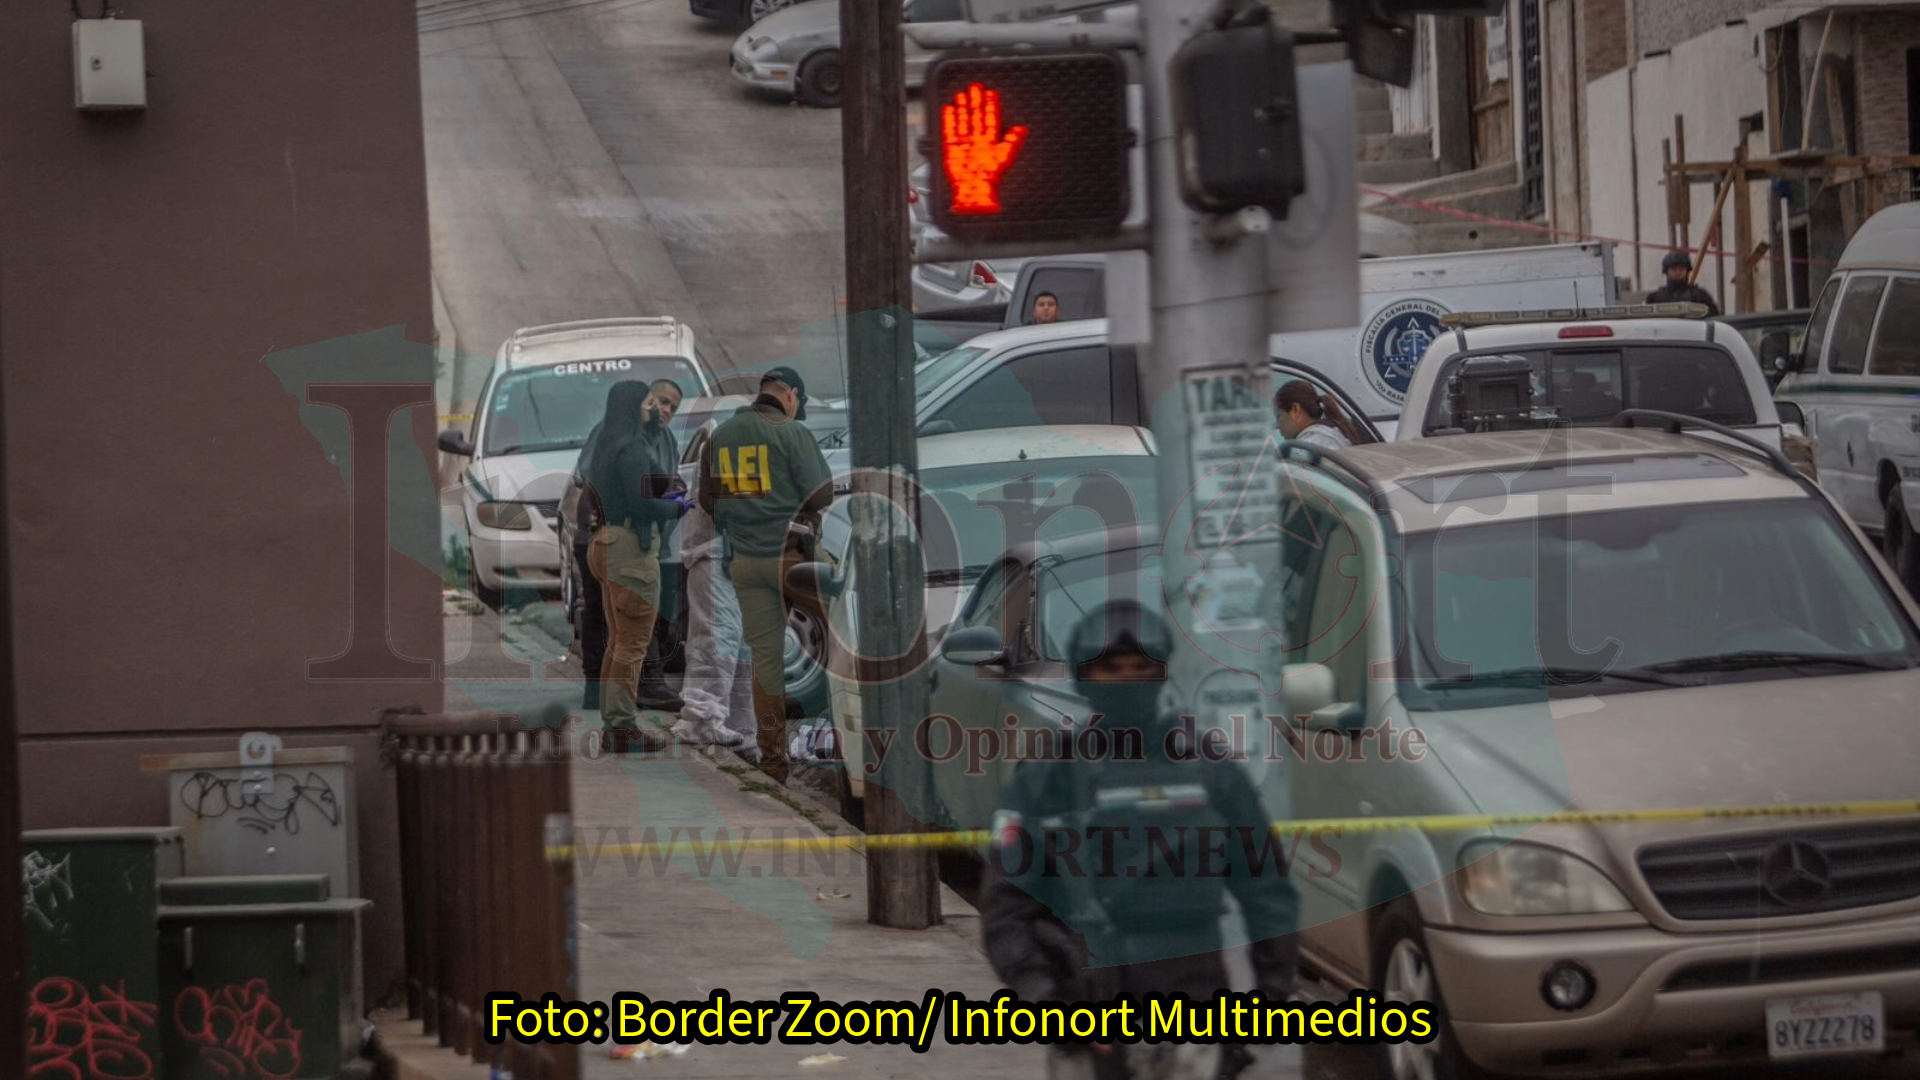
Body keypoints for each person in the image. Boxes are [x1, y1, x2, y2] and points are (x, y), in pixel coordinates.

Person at [980, 600, 1300, 1080]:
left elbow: (1267, 890)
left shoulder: (1208, 769)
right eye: (1112, 669)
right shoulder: (1050, 776)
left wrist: (1268, 1000)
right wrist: (1044, 1003)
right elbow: (1006, 906)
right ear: (1086, 677)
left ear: (1161, 672)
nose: (1128, 680)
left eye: (1140, 667)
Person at [699, 366, 832, 785]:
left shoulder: (720, 438)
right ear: (790, 396)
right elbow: (822, 493)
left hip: (745, 563)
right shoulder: (791, 434)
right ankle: (856, 742)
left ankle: (774, 764)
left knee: (766, 663)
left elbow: (708, 501)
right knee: (845, 640)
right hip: (793, 558)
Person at [583, 380, 687, 753]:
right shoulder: (632, 448)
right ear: (634, 407)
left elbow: (654, 479)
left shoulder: (610, 444)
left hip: (606, 544)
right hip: (629, 549)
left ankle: (616, 723)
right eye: (649, 402)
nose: (655, 409)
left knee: (619, 641)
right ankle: (624, 728)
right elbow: (643, 504)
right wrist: (676, 507)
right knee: (632, 643)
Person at [670, 430, 755, 753]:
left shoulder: (737, 448)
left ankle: (735, 726)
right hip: (714, 553)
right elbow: (715, 499)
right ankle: (701, 719)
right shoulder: (729, 447)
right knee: (718, 636)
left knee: (733, 641)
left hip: (721, 553)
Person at [637, 379, 687, 714]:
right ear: (646, 401)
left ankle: (649, 681)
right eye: (661, 401)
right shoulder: (626, 438)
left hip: (664, 544)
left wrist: (677, 489)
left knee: (663, 619)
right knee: (640, 616)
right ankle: (648, 683)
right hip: (634, 541)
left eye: (672, 406)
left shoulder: (668, 440)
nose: (665, 410)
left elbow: (671, 478)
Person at [1274, 381, 1360, 450]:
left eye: (1278, 416)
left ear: (1296, 409)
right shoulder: (1332, 433)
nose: (1277, 425)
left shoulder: (1306, 448)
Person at [1646, 251, 1720, 315]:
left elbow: (1714, 319)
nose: (1678, 272)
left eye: (1681, 269)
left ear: (1687, 271)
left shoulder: (1700, 296)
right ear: (1666, 271)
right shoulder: (1654, 298)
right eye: (1673, 269)